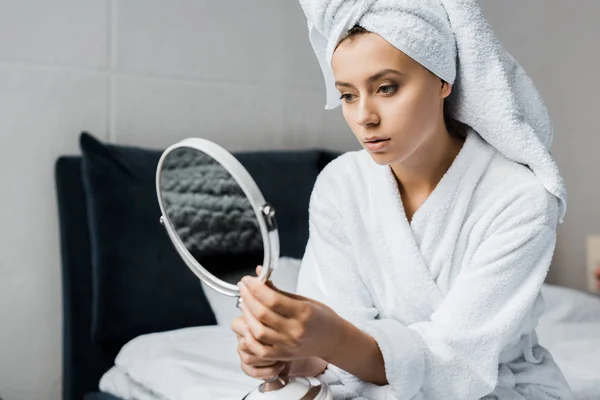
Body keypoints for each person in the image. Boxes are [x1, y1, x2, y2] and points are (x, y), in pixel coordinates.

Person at [231, 1, 573, 398]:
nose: (365, 117)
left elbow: (457, 361)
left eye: (386, 88)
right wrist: (293, 357)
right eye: (347, 95)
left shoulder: (520, 198)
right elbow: (335, 350)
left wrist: (331, 338)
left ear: (443, 80)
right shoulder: (341, 184)